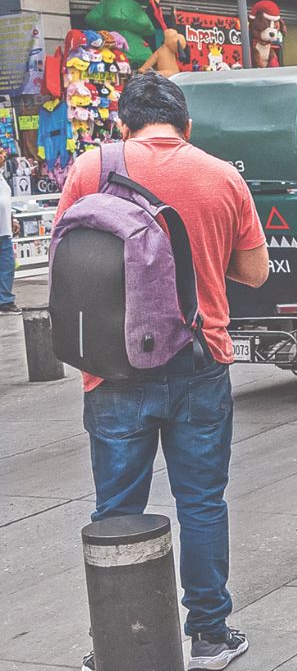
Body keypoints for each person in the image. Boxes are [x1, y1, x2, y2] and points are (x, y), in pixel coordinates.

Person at [57, 72, 269, 670]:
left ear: (123, 126)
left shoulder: (91, 168)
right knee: (201, 502)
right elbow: (255, 273)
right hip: (201, 360)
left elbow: (66, 258)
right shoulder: (222, 174)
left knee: (117, 510)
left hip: (111, 368)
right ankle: (208, 635)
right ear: (187, 125)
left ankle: (118, 643)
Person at [0, 148, 16, 313]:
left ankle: (5, 301)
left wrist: (12, 220)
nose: (3, 156)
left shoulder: (2, 177)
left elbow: (5, 202)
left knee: (7, 265)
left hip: (4, 230)